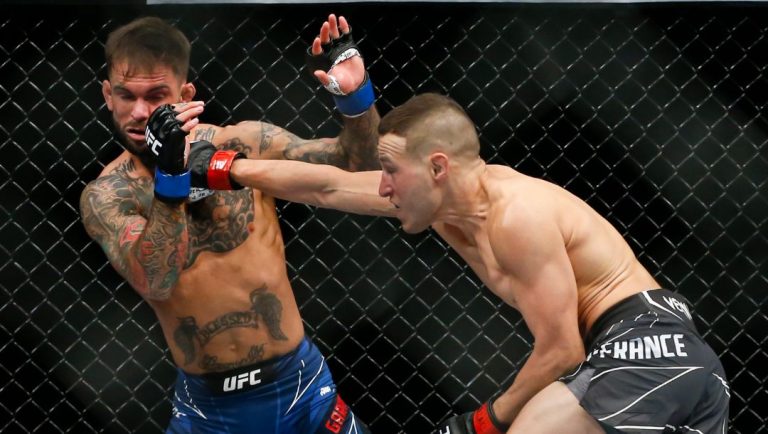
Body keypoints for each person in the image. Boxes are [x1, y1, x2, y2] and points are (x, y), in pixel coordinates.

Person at [186, 93, 731, 434]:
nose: (382, 185)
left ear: (437, 166)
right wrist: (224, 169)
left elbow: (563, 349)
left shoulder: (516, 215)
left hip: (646, 348)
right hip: (660, 358)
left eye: (391, 171)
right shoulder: (440, 207)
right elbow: (329, 186)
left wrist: (485, 419)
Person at [79, 14, 379, 433]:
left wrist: (355, 100)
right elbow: (156, 281)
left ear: (186, 95)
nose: (141, 111)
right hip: (208, 414)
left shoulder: (245, 144)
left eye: (157, 95)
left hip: (301, 389)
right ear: (108, 96)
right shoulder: (110, 195)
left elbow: (356, 166)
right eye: (127, 95)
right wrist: (171, 178)